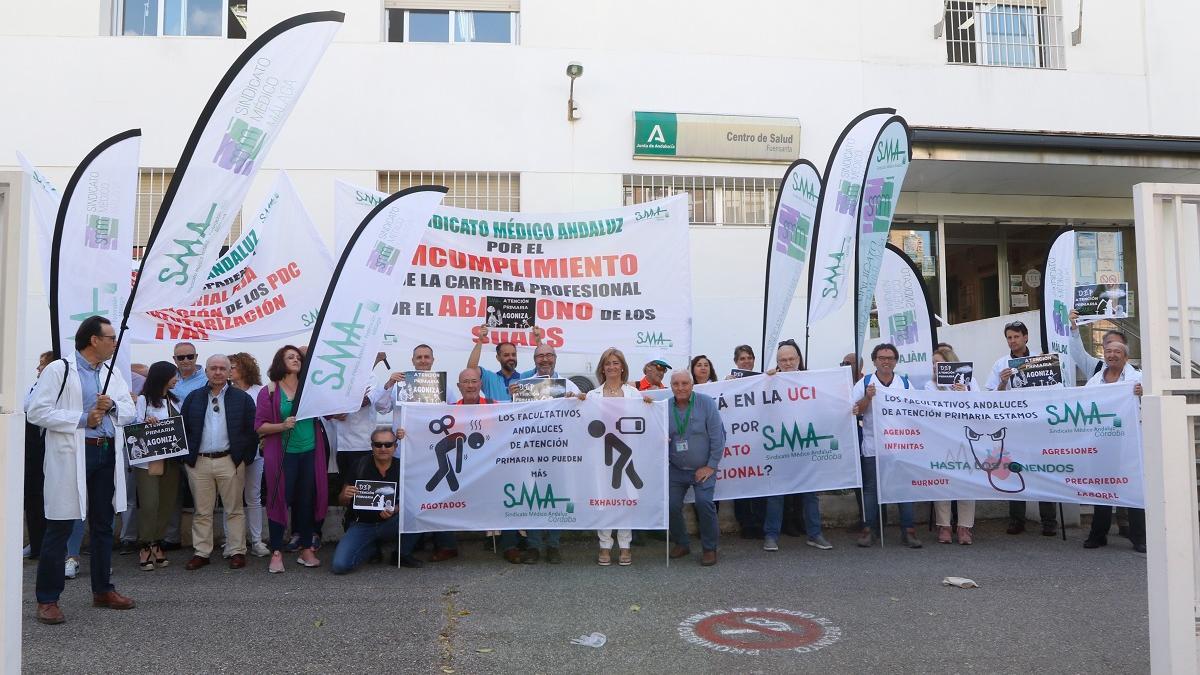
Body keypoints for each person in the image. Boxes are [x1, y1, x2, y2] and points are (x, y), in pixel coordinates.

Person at [27, 316, 137, 624]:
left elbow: (129, 411)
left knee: (103, 525)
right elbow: (36, 410)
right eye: (110, 337)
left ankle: (103, 589)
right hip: (73, 454)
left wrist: (112, 405)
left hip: (104, 454)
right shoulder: (59, 370)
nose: (115, 342)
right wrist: (81, 419)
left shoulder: (111, 373)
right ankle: (48, 599)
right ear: (93, 340)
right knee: (60, 525)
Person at [375, 346, 460, 562]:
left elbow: (454, 415)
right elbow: (381, 407)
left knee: (438, 497)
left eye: (426, 357)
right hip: (404, 453)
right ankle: (408, 545)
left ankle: (443, 544)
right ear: (412, 360)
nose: (423, 361)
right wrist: (389, 384)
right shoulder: (399, 384)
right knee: (409, 500)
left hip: (432, 453)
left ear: (433, 360)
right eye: (419, 357)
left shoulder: (445, 386)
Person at [256, 345, 331, 573]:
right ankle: (276, 552)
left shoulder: (310, 388)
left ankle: (306, 549)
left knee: (307, 500)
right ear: (280, 362)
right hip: (283, 454)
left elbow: (331, 411)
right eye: (291, 357)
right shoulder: (269, 390)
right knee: (280, 500)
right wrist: (282, 425)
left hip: (310, 452)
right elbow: (260, 426)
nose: (296, 360)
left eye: (298, 357)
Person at [180, 355, 256, 571]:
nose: (218, 372)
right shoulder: (193, 398)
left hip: (230, 461)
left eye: (223, 368)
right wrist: (188, 460)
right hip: (200, 462)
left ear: (229, 372)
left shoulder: (242, 399)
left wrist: (242, 459)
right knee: (202, 511)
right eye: (213, 368)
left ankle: (237, 551)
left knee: (234, 509)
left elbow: (251, 431)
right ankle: (202, 552)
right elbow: (184, 429)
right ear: (206, 371)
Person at [985, 320, 1060, 537]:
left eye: (1016, 336)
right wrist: (1001, 383)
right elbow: (989, 398)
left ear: (1026, 337)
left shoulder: (1042, 361)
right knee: (1013, 470)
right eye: (1009, 337)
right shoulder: (1001, 364)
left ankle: (1049, 521)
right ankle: (1017, 519)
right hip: (1014, 426)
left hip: (1038, 426)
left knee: (1044, 471)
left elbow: (1057, 391)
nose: (1012, 341)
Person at [584, 347, 651, 566]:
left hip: (627, 455)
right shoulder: (592, 396)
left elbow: (648, 422)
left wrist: (651, 406)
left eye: (615, 363)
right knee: (603, 499)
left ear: (622, 366)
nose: (611, 367)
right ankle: (604, 545)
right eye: (607, 363)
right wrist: (574, 402)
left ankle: (625, 545)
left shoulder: (634, 395)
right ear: (602, 368)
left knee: (626, 499)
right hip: (601, 456)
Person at [763, 340, 832, 551]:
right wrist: (765, 380)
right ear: (777, 362)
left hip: (806, 445)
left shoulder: (811, 381)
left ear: (799, 359)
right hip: (780, 445)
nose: (788, 362)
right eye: (783, 360)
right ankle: (771, 535)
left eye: (791, 358)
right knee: (776, 493)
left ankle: (815, 534)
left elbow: (827, 404)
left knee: (810, 493)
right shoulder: (769, 381)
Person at [852, 343, 922, 548]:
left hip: (901, 447)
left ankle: (908, 530)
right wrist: (868, 397)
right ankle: (869, 529)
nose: (886, 361)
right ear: (874, 360)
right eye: (882, 358)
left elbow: (917, 411)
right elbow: (856, 410)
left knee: (904, 489)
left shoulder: (905, 384)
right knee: (871, 490)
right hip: (874, 446)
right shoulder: (865, 383)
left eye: (890, 358)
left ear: (895, 361)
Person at [332, 428, 423, 573]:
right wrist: (345, 495)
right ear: (372, 446)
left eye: (388, 444)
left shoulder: (402, 468)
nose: (383, 448)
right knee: (340, 566)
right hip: (361, 524)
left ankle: (401, 554)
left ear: (395, 447)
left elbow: (412, 499)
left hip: (390, 522)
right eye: (378, 444)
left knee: (417, 513)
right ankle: (371, 547)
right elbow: (342, 500)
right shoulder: (359, 465)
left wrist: (395, 509)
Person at [1083, 341, 1146, 552]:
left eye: (1117, 352)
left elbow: (1156, 401)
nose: (1112, 355)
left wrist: (1143, 393)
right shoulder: (1095, 379)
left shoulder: (1139, 378)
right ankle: (1098, 534)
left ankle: (1140, 537)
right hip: (1102, 441)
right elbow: (1082, 401)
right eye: (1108, 351)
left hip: (1130, 441)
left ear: (1126, 357)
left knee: (1133, 487)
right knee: (1102, 487)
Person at [666, 371, 724, 566]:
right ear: (671, 386)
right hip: (676, 469)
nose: (680, 388)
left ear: (692, 385)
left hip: (703, 467)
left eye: (684, 383)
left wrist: (710, 466)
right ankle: (682, 543)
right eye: (676, 384)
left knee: (704, 502)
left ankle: (709, 548)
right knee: (670, 505)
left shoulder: (706, 403)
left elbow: (718, 437)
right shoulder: (665, 407)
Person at [925, 347, 980, 545]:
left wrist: (964, 394)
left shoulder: (970, 382)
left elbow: (980, 408)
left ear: (950, 363)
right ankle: (944, 526)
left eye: (938, 363)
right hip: (942, 439)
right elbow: (933, 411)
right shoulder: (930, 385)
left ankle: (964, 527)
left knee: (966, 483)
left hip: (966, 439)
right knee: (943, 484)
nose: (934, 366)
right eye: (933, 363)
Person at [133, 361, 183, 571]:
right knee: (149, 504)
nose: (177, 379)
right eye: (174, 376)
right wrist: (146, 422)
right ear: (163, 377)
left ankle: (157, 541)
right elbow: (133, 424)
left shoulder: (174, 401)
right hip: (148, 461)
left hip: (170, 460)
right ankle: (145, 544)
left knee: (166, 503)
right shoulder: (144, 400)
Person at [161, 341, 207, 552]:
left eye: (190, 356)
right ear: (174, 360)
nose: (186, 360)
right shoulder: (168, 380)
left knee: (201, 494)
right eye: (181, 357)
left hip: (199, 443)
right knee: (172, 493)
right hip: (173, 443)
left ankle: (203, 542)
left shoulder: (207, 379)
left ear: (197, 357)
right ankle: (171, 537)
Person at [229, 352, 269, 557]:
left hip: (255, 452)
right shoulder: (224, 391)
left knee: (253, 497)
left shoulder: (259, 391)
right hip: (231, 454)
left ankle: (256, 541)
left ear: (245, 368)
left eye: (233, 366)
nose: (230, 370)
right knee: (231, 499)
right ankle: (233, 542)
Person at [727, 345, 766, 538]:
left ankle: (760, 521)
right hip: (739, 440)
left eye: (750, 357)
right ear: (736, 362)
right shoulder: (729, 381)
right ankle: (745, 523)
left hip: (758, 439)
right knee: (740, 481)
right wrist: (726, 385)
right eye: (742, 358)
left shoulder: (762, 379)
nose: (747, 361)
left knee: (759, 481)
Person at [23, 350, 54, 559]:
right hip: (32, 445)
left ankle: (45, 544)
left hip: (47, 445)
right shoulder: (34, 387)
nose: (38, 369)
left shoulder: (52, 389)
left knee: (46, 496)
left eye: (41, 365)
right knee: (33, 495)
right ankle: (35, 542)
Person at [466, 323, 538, 402]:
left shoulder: (525, 378)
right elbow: (470, 370)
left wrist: (538, 340)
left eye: (513, 355)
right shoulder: (489, 379)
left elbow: (544, 365)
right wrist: (480, 340)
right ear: (498, 358)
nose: (511, 358)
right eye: (506, 355)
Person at [514, 342, 581, 397]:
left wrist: (576, 401)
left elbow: (580, 409)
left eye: (549, 355)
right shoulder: (524, 387)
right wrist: (514, 396)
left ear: (555, 358)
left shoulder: (570, 386)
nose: (545, 359)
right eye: (540, 356)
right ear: (534, 360)